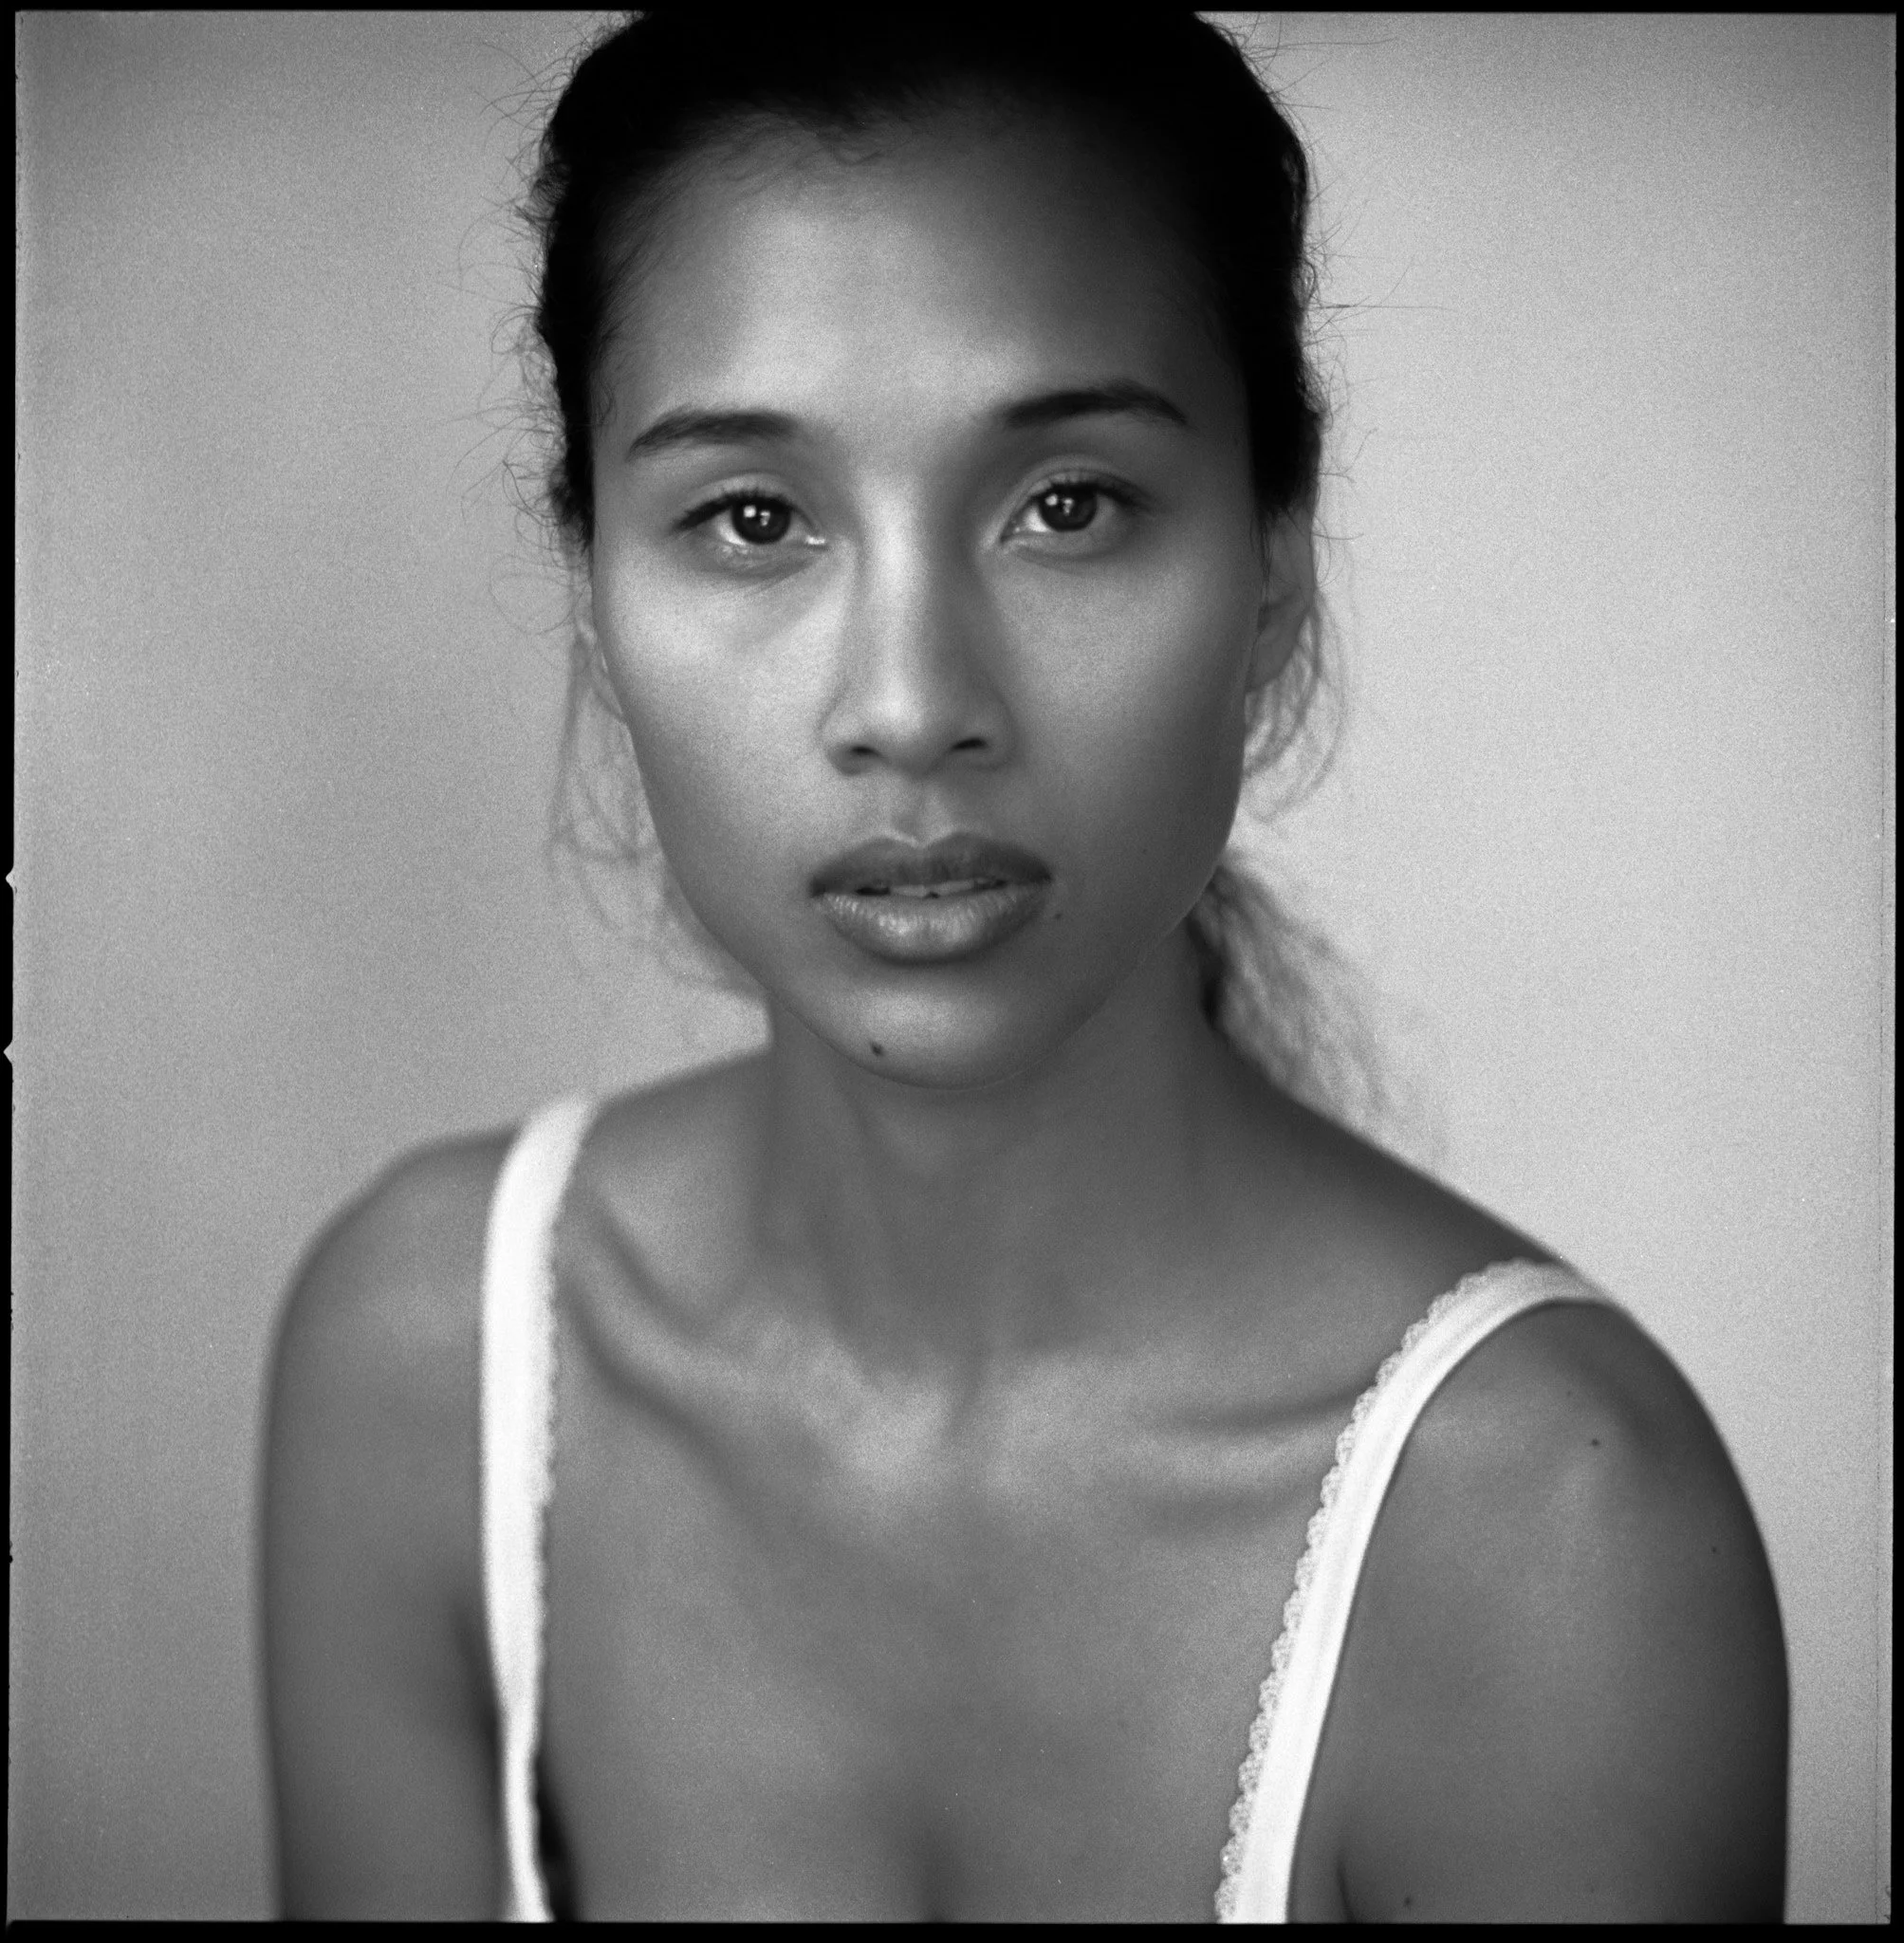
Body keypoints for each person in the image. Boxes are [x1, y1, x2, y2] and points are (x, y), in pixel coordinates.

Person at [260, 10, 1788, 1921]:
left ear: (1271, 580)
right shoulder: (427, 1367)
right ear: (594, 598)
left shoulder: (1552, 1537)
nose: (911, 704)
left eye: (1065, 506)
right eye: (753, 519)